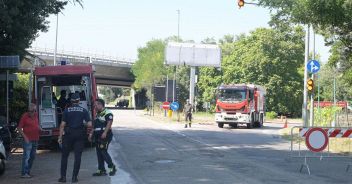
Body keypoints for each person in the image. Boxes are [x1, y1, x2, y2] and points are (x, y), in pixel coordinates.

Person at [58, 93, 92, 183]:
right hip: (80, 134)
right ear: (79, 101)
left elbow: (62, 125)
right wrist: (83, 124)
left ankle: (63, 178)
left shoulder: (66, 111)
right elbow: (89, 124)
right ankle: (74, 178)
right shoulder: (83, 110)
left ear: (71, 101)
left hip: (68, 135)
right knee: (78, 157)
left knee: (64, 156)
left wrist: (60, 137)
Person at [90, 99, 117, 177]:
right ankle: (101, 170)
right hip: (97, 136)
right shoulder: (97, 114)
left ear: (100, 105)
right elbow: (94, 125)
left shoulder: (107, 112)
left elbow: (109, 122)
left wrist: (105, 132)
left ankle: (112, 167)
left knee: (103, 151)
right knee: (99, 152)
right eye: (94, 105)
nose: (94, 107)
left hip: (105, 135)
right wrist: (91, 134)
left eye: (96, 105)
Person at [17, 103, 40, 178]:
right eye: (29, 111)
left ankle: (28, 172)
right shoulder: (24, 116)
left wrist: (40, 128)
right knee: (26, 157)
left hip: (35, 139)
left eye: (32, 111)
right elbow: (19, 128)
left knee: (32, 156)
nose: (30, 112)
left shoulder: (36, 115)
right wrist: (25, 137)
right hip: (28, 140)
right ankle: (24, 173)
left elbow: (36, 124)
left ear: (35, 110)